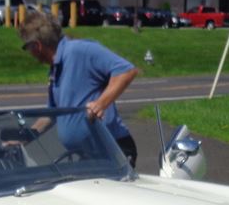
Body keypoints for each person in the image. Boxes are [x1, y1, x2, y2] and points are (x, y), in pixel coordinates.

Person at [17, 9, 139, 166]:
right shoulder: (56, 68)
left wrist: (101, 104)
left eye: (27, 48)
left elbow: (126, 71)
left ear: (36, 46)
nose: (30, 53)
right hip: (89, 154)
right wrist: (23, 138)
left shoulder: (80, 51)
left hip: (113, 149)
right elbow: (51, 114)